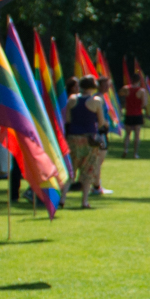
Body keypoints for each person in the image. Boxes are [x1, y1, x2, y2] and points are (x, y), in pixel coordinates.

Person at [64, 76, 101, 208]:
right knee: (88, 169)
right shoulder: (96, 101)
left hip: (73, 138)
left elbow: (68, 119)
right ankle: (84, 201)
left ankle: (62, 199)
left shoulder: (72, 99)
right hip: (89, 139)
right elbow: (101, 122)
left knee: (71, 169)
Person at [122, 76, 147, 158]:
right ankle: (135, 154)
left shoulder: (126, 88)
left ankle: (125, 149)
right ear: (139, 81)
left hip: (128, 114)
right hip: (137, 114)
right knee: (137, 135)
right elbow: (144, 104)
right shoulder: (141, 91)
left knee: (127, 134)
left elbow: (120, 95)